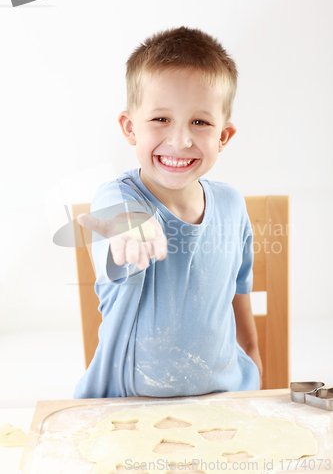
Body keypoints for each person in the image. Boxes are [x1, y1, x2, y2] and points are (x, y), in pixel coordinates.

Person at [73, 26, 262, 399]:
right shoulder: (118, 198)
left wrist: (253, 358)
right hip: (126, 409)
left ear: (223, 136)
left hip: (224, 400)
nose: (180, 140)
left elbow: (238, 290)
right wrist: (132, 229)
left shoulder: (231, 204)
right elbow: (120, 218)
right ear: (130, 128)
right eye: (161, 119)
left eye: (200, 122)